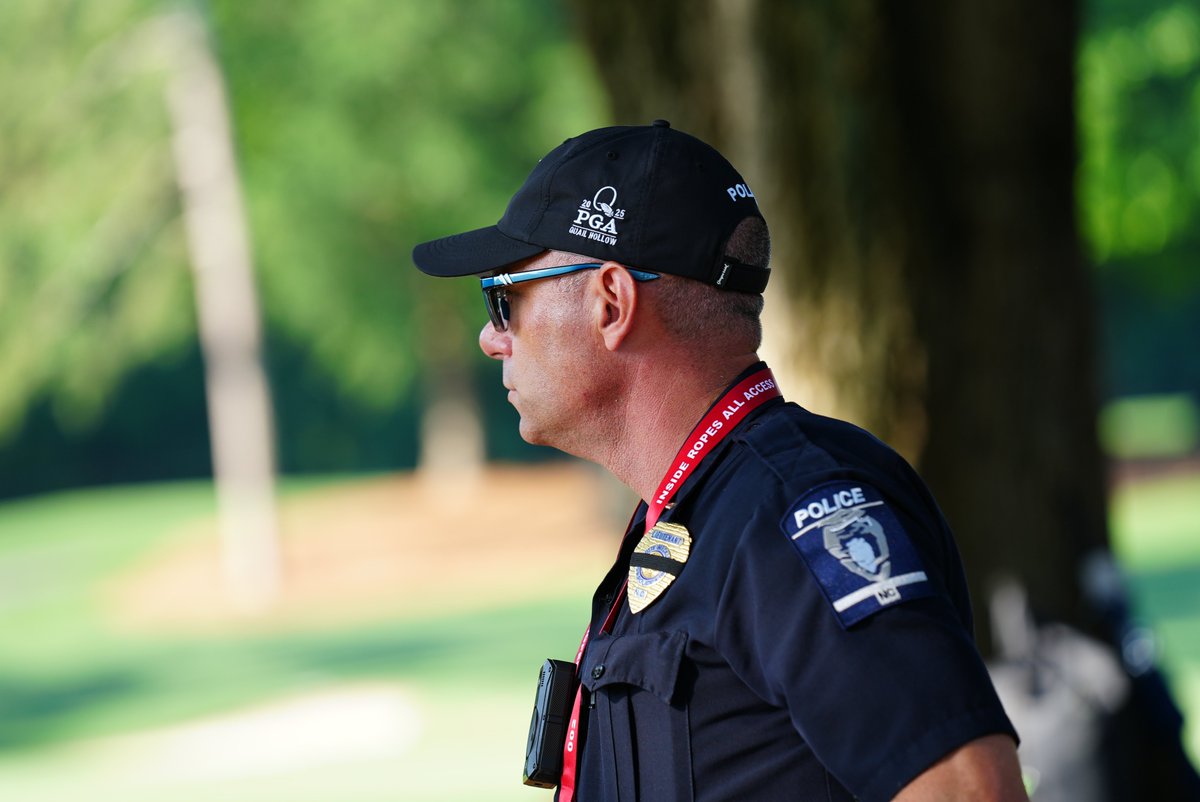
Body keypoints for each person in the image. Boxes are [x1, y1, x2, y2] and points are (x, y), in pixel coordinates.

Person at [412, 120, 1027, 801]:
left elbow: (970, 788)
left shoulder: (788, 513)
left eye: (505, 300)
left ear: (611, 303)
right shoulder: (698, 511)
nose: (490, 337)